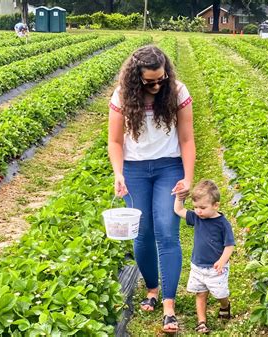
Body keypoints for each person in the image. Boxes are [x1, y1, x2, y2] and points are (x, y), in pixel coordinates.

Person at [108, 45, 195, 333]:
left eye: (162, 79)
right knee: (141, 233)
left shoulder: (178, 92)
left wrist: (188, 177)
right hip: (134, 170)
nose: (158, 85)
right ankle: (152, 289)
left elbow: (186, 139)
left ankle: (169, 304)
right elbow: (116, 141)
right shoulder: (122, 96)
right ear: (136, 78)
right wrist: (118, 173)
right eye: (150, 81)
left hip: (169, 167)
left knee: (167, 231)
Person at [174, 179, 235, 334]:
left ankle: (224, 305)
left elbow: (229, 246)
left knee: (220, 293)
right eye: (195, 207)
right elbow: (179, 211)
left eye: (202, 207)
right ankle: (202, 322)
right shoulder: (196, 217)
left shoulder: (223, 224)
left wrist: (222, 261)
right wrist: (179, 197)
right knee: (200, 293)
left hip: (216, 267)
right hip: (198, 265)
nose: (198, 211)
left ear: (216, 205)